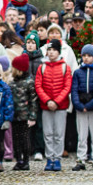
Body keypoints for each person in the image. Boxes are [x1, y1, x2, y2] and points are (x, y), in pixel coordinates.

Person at [35, 39, 71, 171]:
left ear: (58, 51)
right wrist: (47, 101)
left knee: (59, 133)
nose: (51, 53)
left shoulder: (65, 67)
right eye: (49, 50)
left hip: (60, 106)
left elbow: (67, 86)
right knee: (48, 133)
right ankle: (49, 157)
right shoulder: (42, 67)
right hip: (46, 106)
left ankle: (58, 158)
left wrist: (56, 101)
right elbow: (38, 86)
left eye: (54, 50)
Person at [71, 45, 93, 170]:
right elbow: (74, 90)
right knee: (82, 134)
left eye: (89, 56)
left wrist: (91, 104)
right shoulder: (78, 72)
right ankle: (81, 158)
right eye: (84, 56)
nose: (86, 58)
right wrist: (78, 104)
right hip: (81, 105)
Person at [9, 54, 36, 171]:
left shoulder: (29, 82)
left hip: (24, 116)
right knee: (15, 138)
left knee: (24, 138)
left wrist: (32, 116)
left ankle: (25, 160)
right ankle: (18, 159)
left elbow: (33, 101)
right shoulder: (12, 83)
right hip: (14, 115)